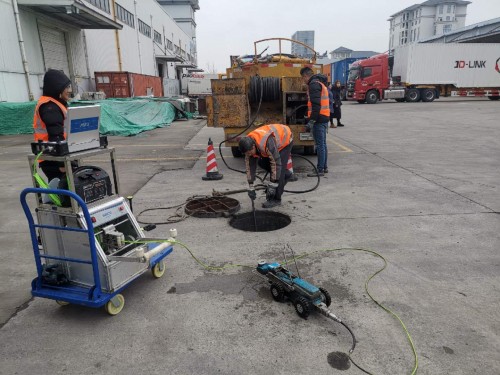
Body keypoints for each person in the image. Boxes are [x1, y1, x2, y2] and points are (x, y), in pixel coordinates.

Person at [238, 124, 293, 209]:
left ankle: (276, 199)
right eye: (246, 154)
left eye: (249, 153)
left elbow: (276, 163)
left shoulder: (266, 142)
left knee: (279, 172)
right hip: (273, 141)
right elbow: (249, 166)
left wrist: (272, 185)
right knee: (261, 162)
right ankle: (287, 174)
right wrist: (251, 186)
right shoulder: (248, 144)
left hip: (285, 139)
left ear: (253, 147)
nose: (248, 155)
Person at [33, 69, 72, 181]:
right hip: (52, 158)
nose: (69, 90)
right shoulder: (50, 107)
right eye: (66, 87)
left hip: (56, 155)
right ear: (57, 88)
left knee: (65, 190)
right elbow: (56, 136)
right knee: (64, 190)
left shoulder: (55, 104)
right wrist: (61, 164)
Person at [300, 67, 330, 176]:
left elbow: (316, 106)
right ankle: (324, 167)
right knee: (323, 144)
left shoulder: (313, 85)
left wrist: (311, 121)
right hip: (324, 117)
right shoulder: (320, 83)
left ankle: (320, 169)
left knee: (319, 145)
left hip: (319, 119)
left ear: (305, 76)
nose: (303, 81)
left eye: (303, 78)